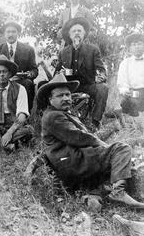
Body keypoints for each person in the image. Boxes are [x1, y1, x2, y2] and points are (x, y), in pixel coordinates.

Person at [37, 73, 144, 209]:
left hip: (72, 160)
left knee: (118, 167)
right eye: (60, 95)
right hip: (72, 161)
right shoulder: (53, 116)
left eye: (68, 95)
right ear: (50, 99)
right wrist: (105, 147)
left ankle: (94, 196)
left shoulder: (60, 113)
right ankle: (118, 192)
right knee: (121, 149)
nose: (66, 98)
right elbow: (79, 137)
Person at [54, 17, 108, 130]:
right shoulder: (63, 52)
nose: (77, 33)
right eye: (74, 31)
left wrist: (100, 76)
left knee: (103, 88)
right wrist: (61, 73)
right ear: (69, 35)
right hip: (69, 87)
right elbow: (56, 74)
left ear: (84, 34)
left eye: (80, 31)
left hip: (88, 85)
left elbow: (101, 69)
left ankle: (95, 122)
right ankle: (55, 120)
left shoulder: (93, 50)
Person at [0, 21, 38, 112]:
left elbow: (34, 69)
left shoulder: (28, 49)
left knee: (28, 84)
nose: (11, 34)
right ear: (4, 34)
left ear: (18, 33)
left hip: (21, 80)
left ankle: (25, 114)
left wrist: (30, 73)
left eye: (13, 32)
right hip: (1, 79)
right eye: (8, 32)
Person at [117, 33, 144, 116]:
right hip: (133, 94)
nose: (137, 47)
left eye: (139, 44)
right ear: (130, 48)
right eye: (133, 45)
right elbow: (122, 83)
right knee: (127, 102)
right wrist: (125, 91)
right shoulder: (125, 63)